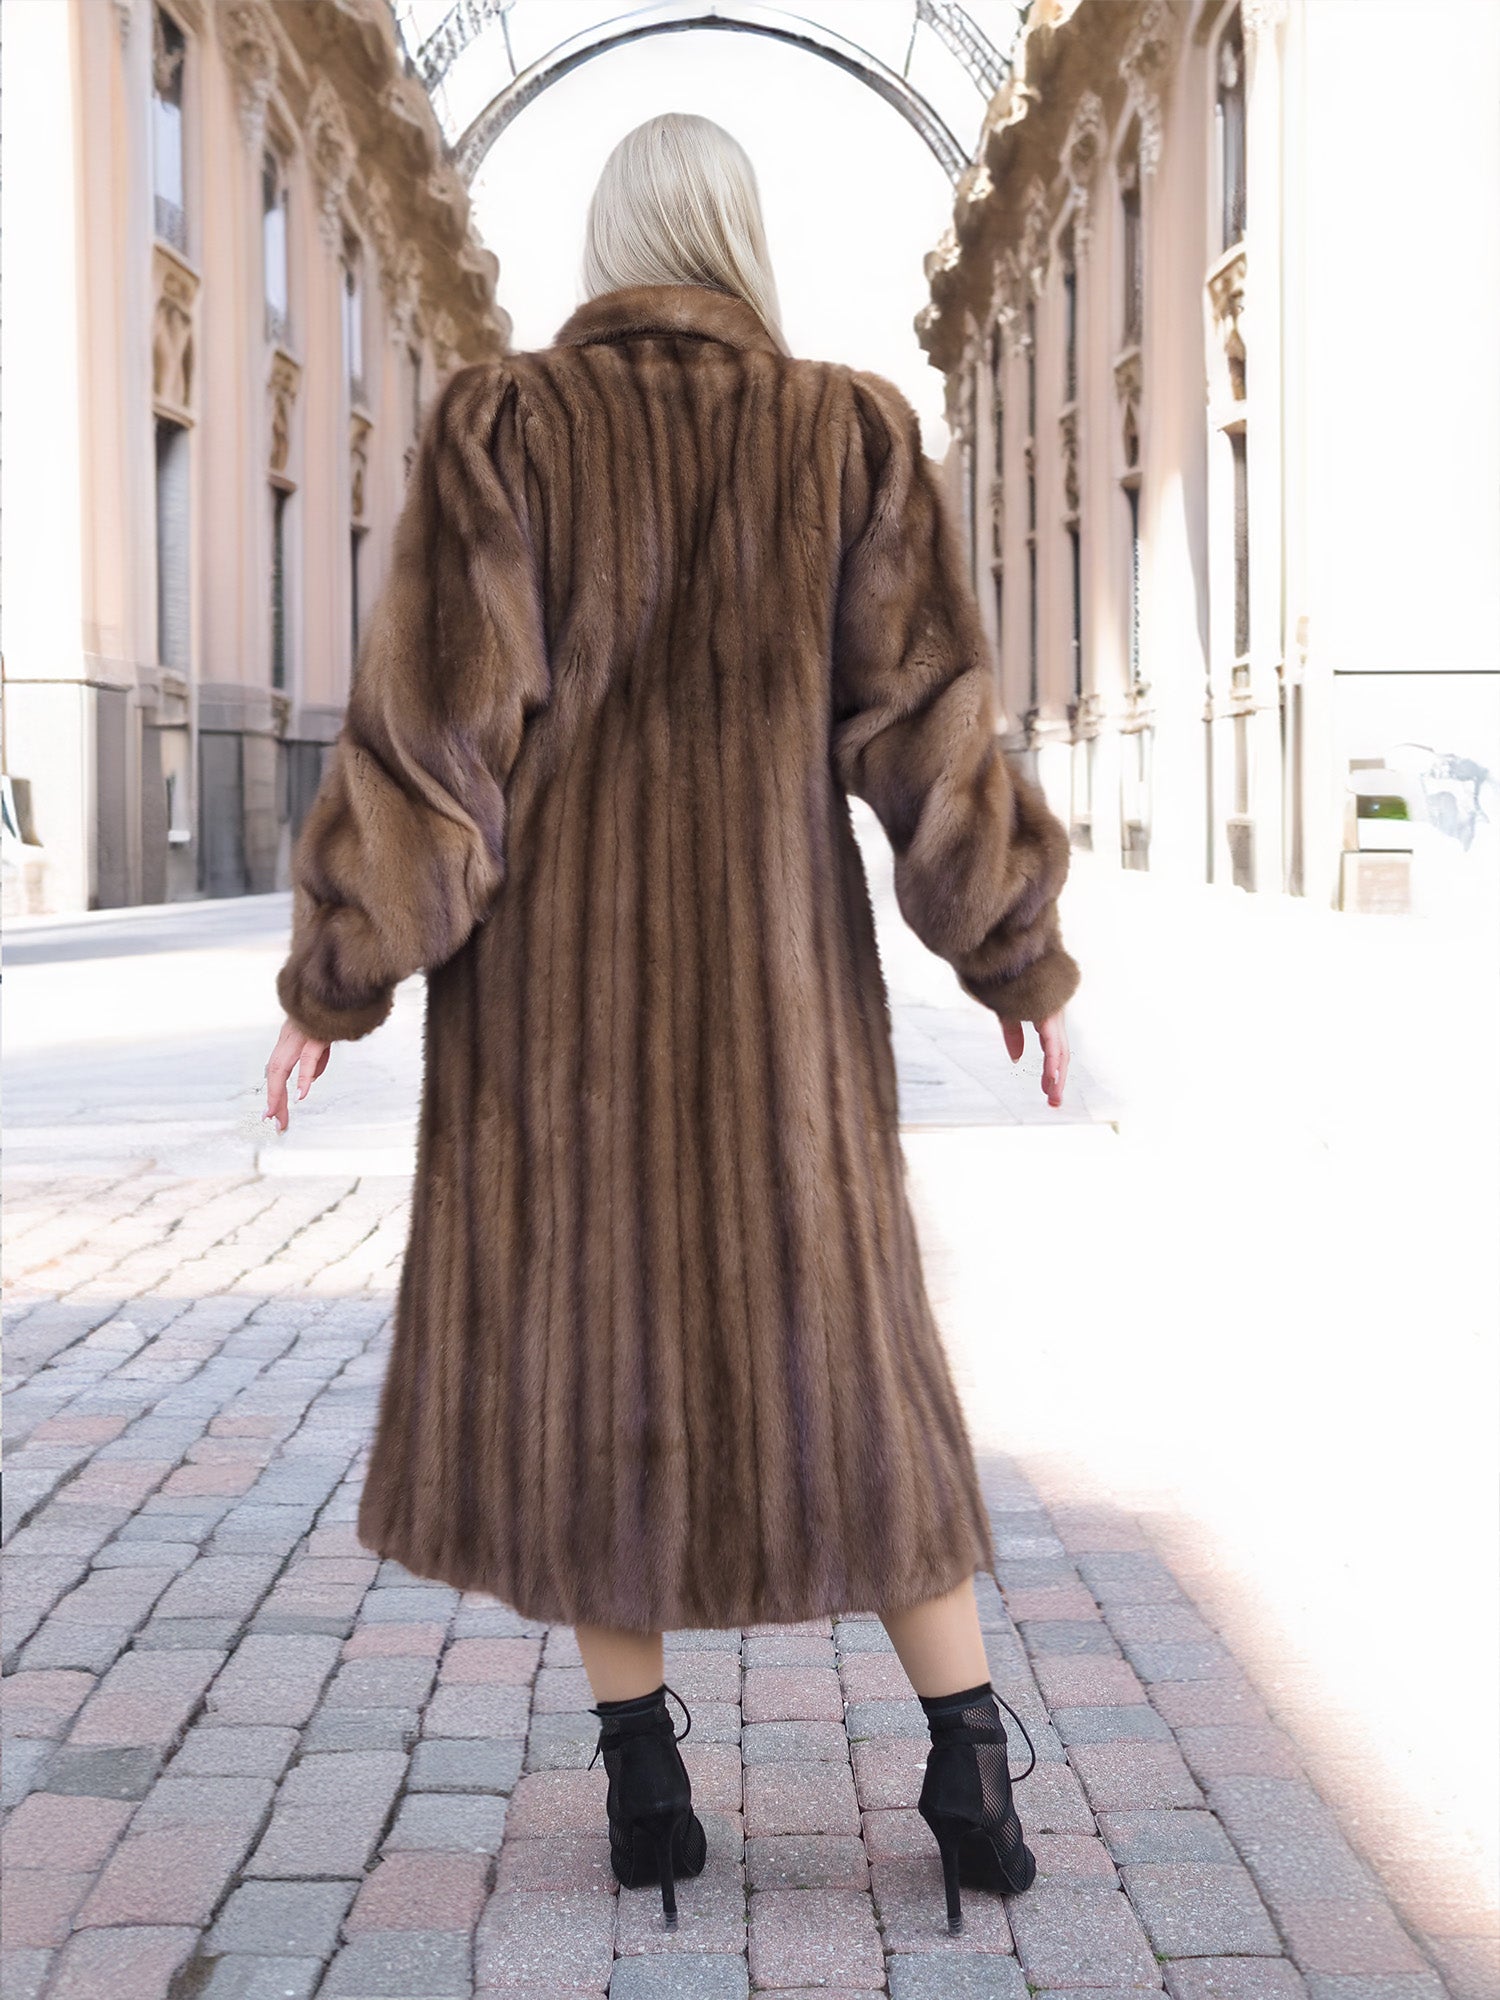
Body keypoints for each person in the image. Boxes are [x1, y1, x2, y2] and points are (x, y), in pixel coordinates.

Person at [265, 112, 1079, 1935]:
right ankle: (971, 1766)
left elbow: (435, 751)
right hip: (781, 1019)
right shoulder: (849, 431)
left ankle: (644, 1792)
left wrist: (342, 974)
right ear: (738, 234)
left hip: (553, 1024)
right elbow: (932, 733)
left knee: (583, 1386)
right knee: (859, 1384)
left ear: (611, 242)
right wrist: (1013, 954)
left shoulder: (511, 430)